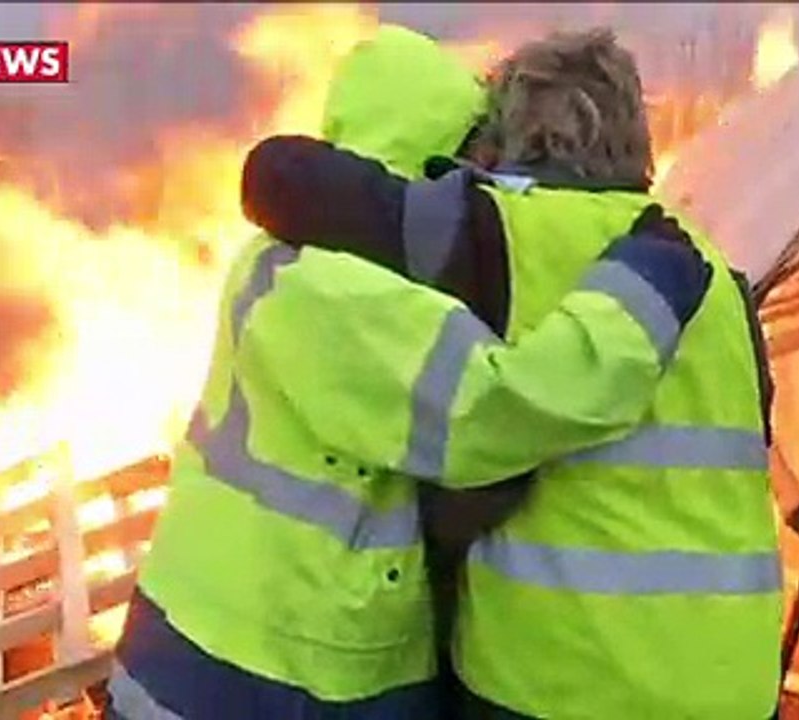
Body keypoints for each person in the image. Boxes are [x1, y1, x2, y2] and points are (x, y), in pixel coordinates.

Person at [106, 25, 714, 720]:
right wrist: (643, 290)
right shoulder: (342, 291)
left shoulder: (284, 257)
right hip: (282, 670)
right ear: (430, 154)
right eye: (472, 157)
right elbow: (498, 412)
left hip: (206, 634)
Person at [242, 28, 783, 719]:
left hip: (557, 683)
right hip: (731, 684)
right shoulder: (716, 273)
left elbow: (285, 181)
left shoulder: (488, 229)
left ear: (509, 137)